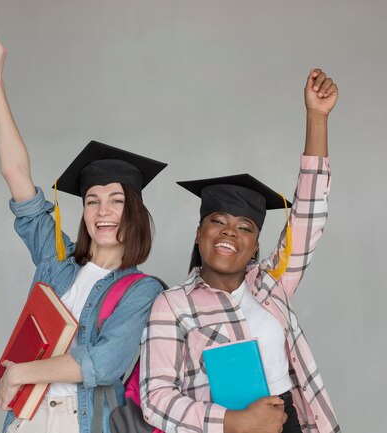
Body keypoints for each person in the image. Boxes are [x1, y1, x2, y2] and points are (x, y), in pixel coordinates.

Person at [0, 34, 167, 433]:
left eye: (116, 200)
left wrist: (20, 373)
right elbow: (16, 176)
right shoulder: (58, 260)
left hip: (80, 421)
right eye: (92, 200)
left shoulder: (142, 290)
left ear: (133, 210)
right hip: (27, 417)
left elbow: (102, 363)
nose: (103, 212)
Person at [140, 69, 340, 433]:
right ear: (199, 233)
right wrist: (234, 421)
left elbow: (308, 216)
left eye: (244, 227)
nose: (230, 232)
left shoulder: (270, 285)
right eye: (218, 221)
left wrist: (316, 117)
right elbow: (155, 398)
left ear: (255, 246)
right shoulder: (172, 305)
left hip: (290, 422)